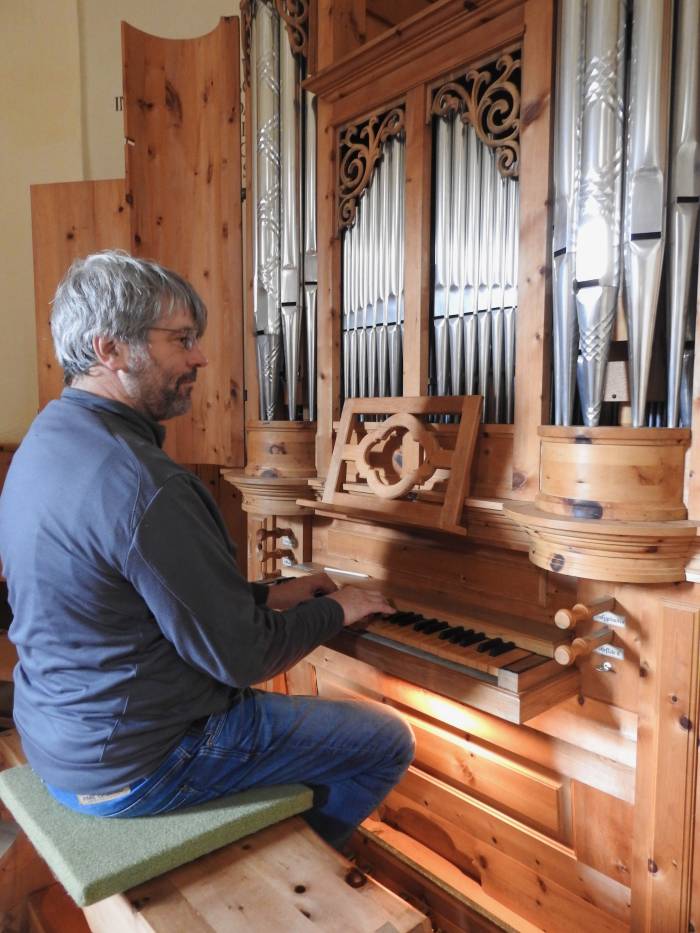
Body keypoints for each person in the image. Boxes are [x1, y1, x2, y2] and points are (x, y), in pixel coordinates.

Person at [0, 250, 414, 848]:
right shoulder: (145, 483)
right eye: (181, 339)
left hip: (56, 738)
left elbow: (134, 595)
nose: (199, 357)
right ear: (109, 349)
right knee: (385, 741)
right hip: (134, 767)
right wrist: (337, 610)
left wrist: (271, 594)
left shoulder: (49, 438)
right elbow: (242, 659)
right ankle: (297, 874)